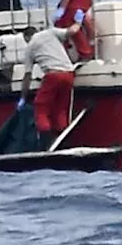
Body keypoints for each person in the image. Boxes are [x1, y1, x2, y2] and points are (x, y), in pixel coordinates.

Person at [18, 20, 84, 150]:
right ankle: (62, 141)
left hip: (52, 75)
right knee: (61, 108)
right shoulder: (51, 32)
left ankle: (46, 143)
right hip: (69, 74)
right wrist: (79, 18)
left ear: (26, 37)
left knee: (40, 108)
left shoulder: (30, 47)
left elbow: (27, 75)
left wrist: (23, 98)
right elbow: (72, 31)